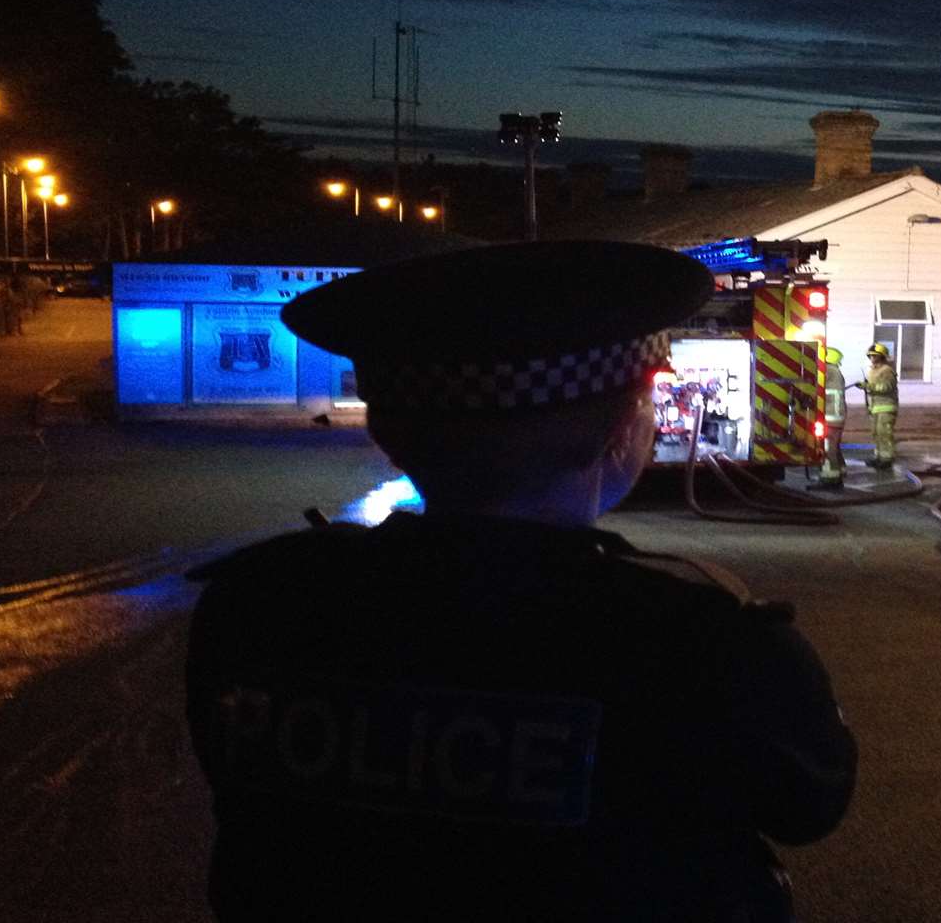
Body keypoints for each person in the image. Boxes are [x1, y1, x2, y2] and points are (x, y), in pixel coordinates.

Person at [183, 241, 857, 923]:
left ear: (386, 433)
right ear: (625, 428)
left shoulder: (260, 604)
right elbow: (809, 804)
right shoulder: (709, 641)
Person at [851, 341, 899, 468]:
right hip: (875, 407)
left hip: (886, 407)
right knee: (876, 433)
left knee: (884, 433)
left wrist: (867, 386)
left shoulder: (887, 370)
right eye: (870, 355)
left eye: (875, 355)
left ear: (882, 357)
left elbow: (886, 387)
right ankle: (879, 457)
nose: (872, 358)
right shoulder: (872, 371)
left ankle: (887, 459)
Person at [818, 345, 848, 487]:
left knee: (829, 447)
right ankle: (841, 469)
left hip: (831, 417)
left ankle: (831, 477)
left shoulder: (829, 371)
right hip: (836, 417)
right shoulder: (836, 371)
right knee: (835, 446)